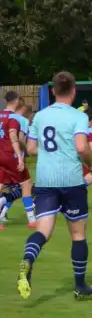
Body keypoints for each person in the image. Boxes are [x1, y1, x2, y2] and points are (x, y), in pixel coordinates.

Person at [16, 72, 92, 300]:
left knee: (43, 230)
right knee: (78, 234)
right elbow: (82, 147)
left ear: (53, 91)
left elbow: (31, 149)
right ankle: (80, 286)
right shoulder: (78, 116)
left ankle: (28, 260)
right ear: (73, 91)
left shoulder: (41, 116)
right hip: (71, 180)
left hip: (45, 180)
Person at [0, 92, 36, 228]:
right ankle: (32, 219)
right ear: (16, 101)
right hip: (10, 155)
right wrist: (21, 156)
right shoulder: (14, 118)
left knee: (1, 184)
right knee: (26, 184)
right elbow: (16, 138)